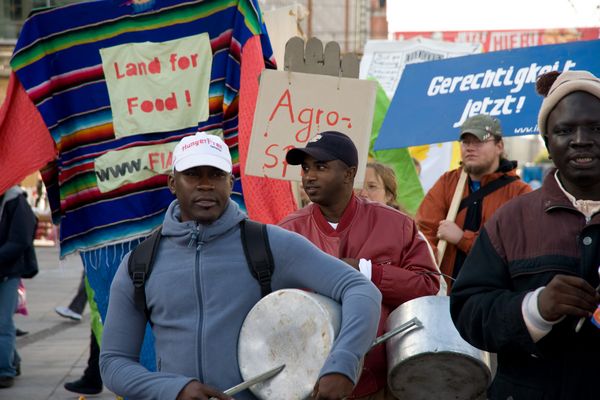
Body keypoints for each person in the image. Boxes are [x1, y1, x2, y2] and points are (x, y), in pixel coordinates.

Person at [99, 131, 381, 400]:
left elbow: (360, 289)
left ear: (230, 183)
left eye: (216, 175)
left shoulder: (268, 243)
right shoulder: (140, 263)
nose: (205, 184)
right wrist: (174, 389)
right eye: (192, 174)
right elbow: (114, 362)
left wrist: (343, 362)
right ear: (172, 183)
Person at [450, 70, 600, 399]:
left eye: (595, 128)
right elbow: (468, 312)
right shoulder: (512, 220)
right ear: (548, 142)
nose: (581, 139)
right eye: (564, 130)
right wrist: (535, 308)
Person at [279, 131, 440, 400]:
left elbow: (428, 286)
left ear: (349, 173)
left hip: (377, 378)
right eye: (306, 168)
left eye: (321, 167)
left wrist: (367, 272)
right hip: (308, 381)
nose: (309, 176)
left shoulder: (397, 224)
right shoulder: (287, 231)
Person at [415, 114, 531, 289]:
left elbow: (513, 248)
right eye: (466, 142)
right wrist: (430, 265)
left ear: (499, 146)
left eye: (478, 142)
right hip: (445, 294)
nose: (470, 148)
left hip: (494, 296)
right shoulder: (447, 183)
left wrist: (462, 238)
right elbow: (423, 232)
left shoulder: (520, 193)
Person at [0, 186, 37, 388]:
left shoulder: (15, 199)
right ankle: (12, 359)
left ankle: (5, 371)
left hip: (8, 270)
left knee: (3, 322)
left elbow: (20, 239)